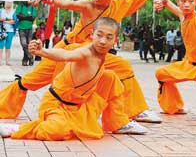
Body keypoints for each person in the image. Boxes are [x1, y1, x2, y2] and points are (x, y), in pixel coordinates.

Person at [0, 0, 179, 128]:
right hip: (67, 48)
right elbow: (67, 3)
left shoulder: (120, 4)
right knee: (32, 79)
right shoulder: (87, 5)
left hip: (91, 52)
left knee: (122, 67)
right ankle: (3, 106)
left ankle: (136, 111)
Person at [0, 17, 147, 140]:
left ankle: (118, 123)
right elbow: (65, 55)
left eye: (108, 37)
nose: (103, 41)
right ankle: (17, 129)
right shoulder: (85, 52)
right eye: (99, 35)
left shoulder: (104, 57)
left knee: (110, 77)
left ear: (115, 40)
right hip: (56, 104)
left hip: (78, 106)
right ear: (92, 35)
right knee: (57, 130)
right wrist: (42, 52)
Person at [15, 1, 37, 66]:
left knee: (29, 44)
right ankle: (31, 57)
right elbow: (18, 16)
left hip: (30, 28)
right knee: (24, 44)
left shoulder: (33, 8)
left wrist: (23, 17)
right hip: (21, 28)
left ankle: (25, 60)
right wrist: (28, 17)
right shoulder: (20, 6)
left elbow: (32, 18)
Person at [0, 1, 17, 66]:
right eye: (7, 2)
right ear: (5, 3)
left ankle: (8, 62)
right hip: (2, 31)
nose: (8, 4)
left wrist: (4, 20)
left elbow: (14, 21)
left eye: (10, 2)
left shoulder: (14, 11)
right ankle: (0, 61)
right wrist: (8, 19)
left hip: (10, 31)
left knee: (8, 46)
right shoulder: (1, 10)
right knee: (0, 46)